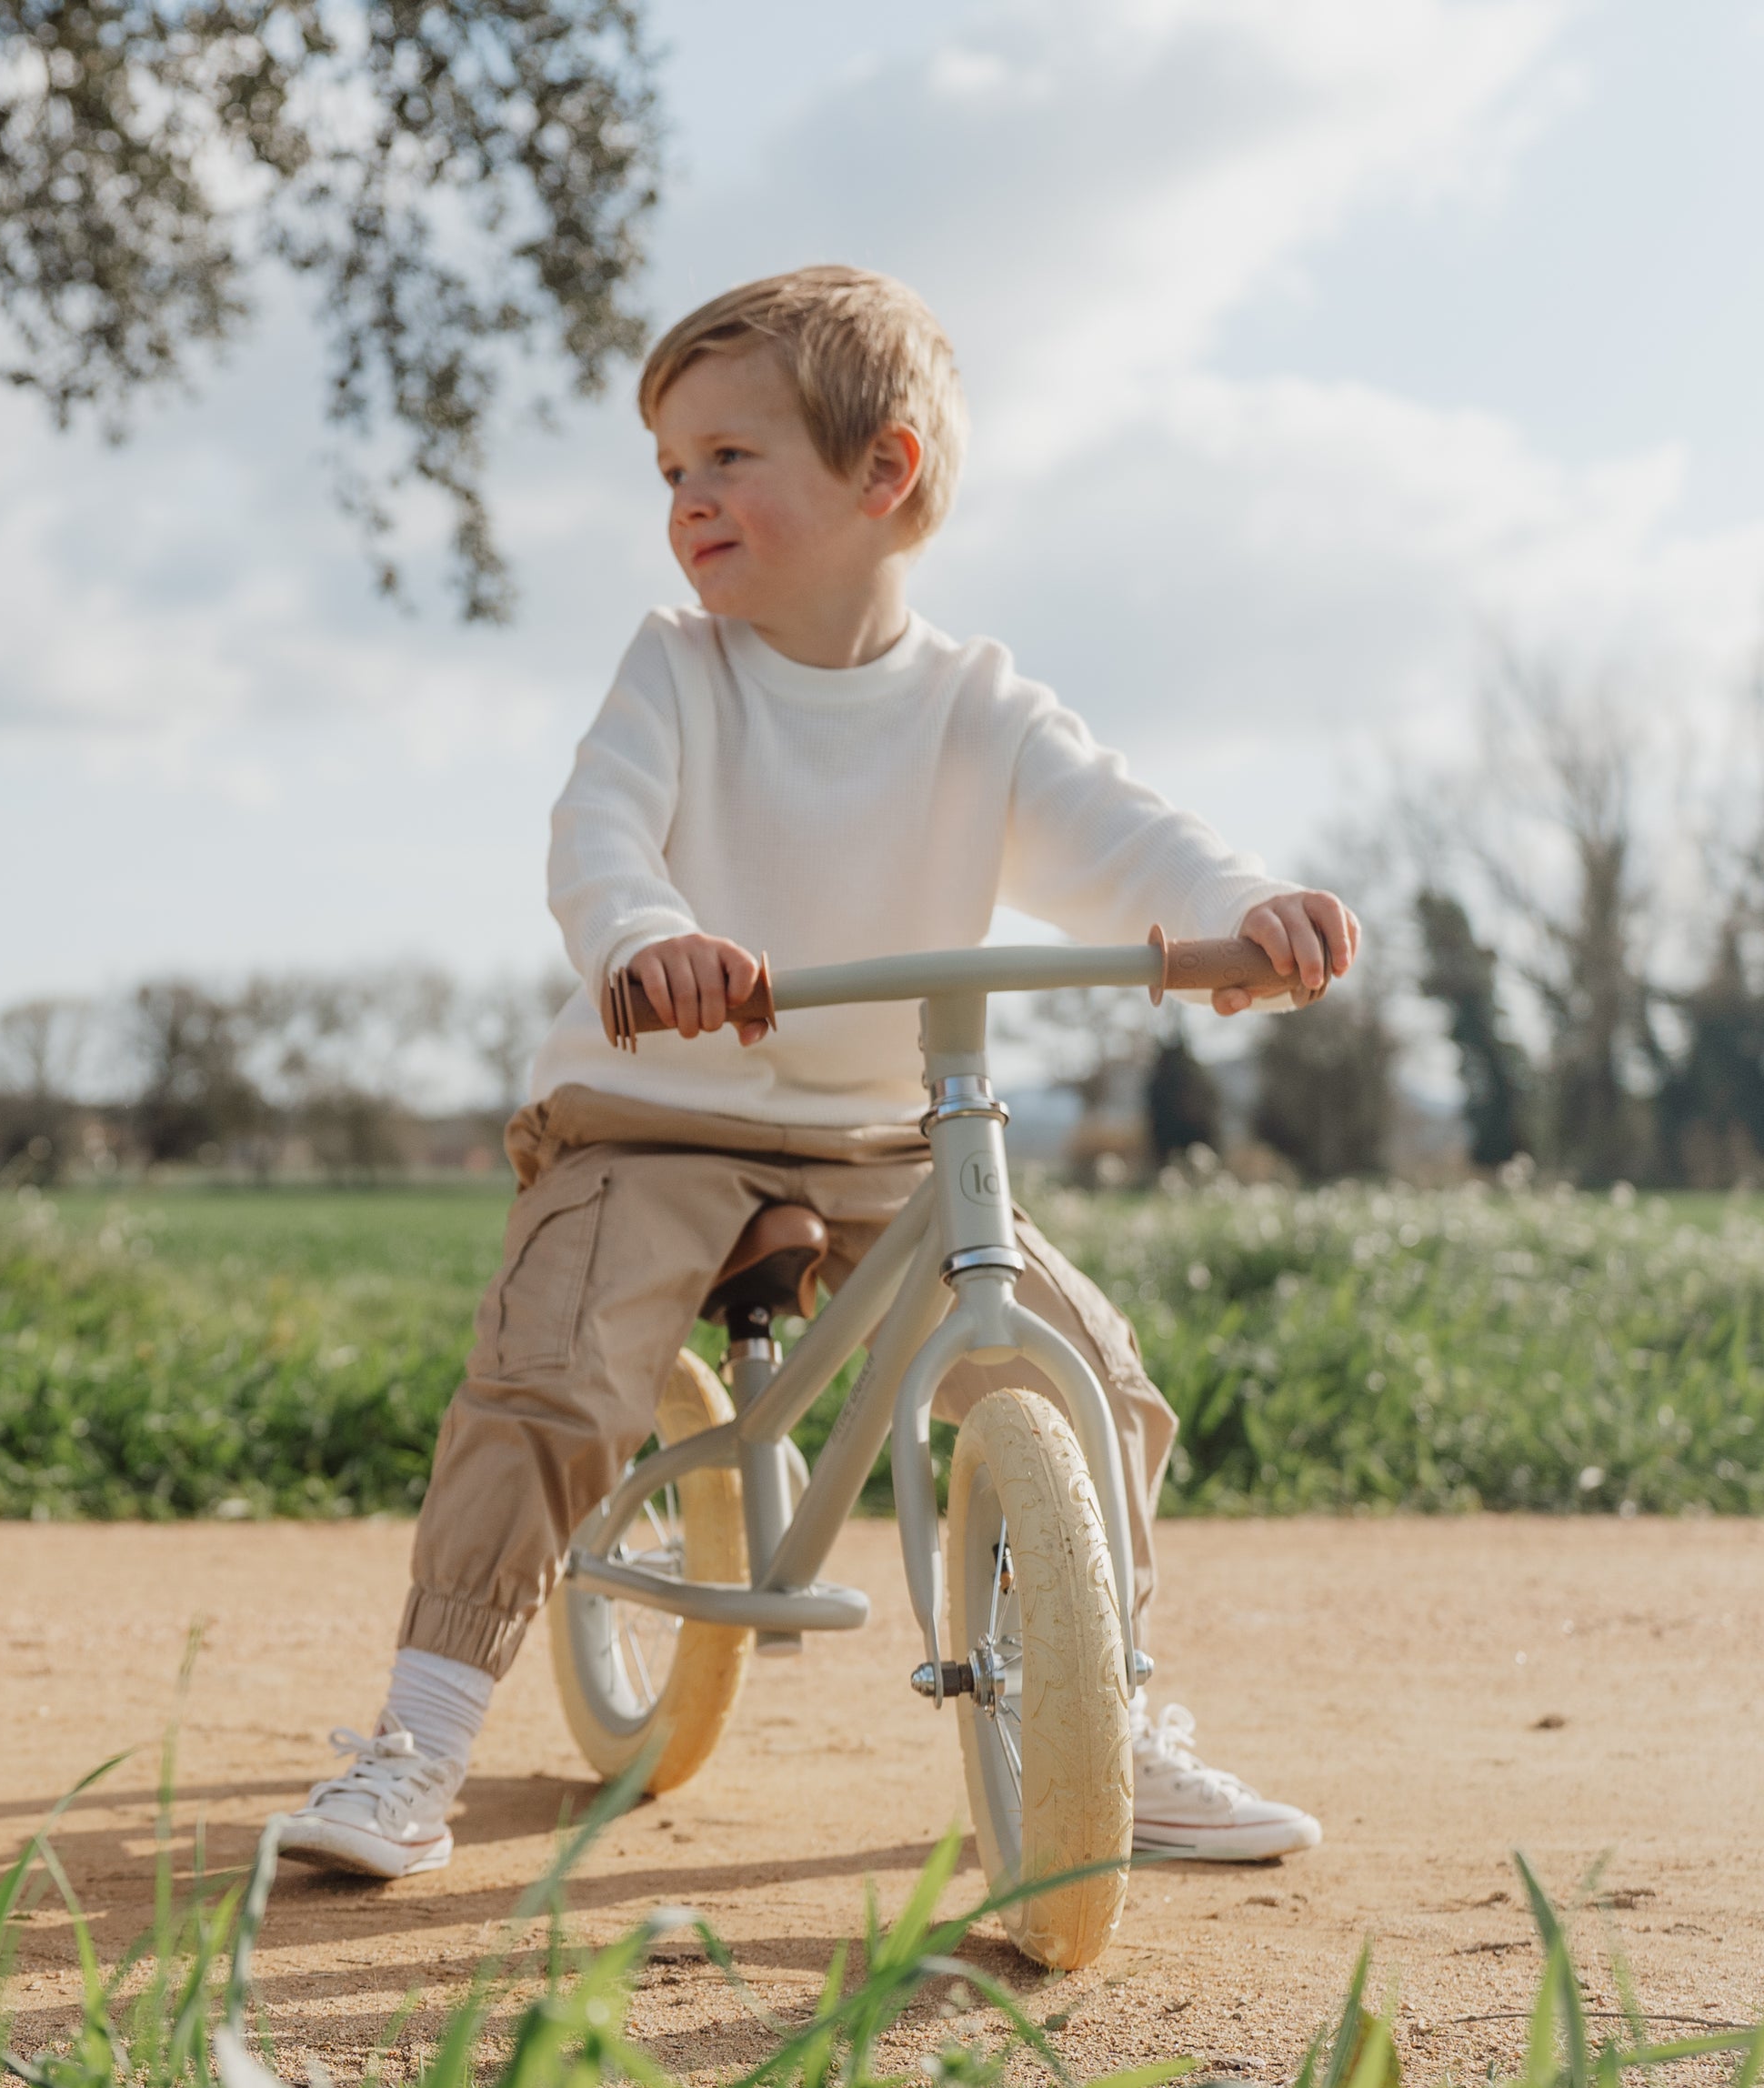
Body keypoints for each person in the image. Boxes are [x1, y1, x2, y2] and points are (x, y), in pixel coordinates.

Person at [276, 266, 1357, 1883]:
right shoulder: (678, 670)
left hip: (883, 1136)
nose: (687, 501)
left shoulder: (979, 710)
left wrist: (1237, 914)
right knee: (556, 1379)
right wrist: (649, 933)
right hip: (650, 1123)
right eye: (669, 473)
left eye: (726, 458)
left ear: (883, 474)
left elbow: (1128, 841)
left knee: (1091, 1377)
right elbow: (601, 833)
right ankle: (417, 1743)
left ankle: (1106, 1714)